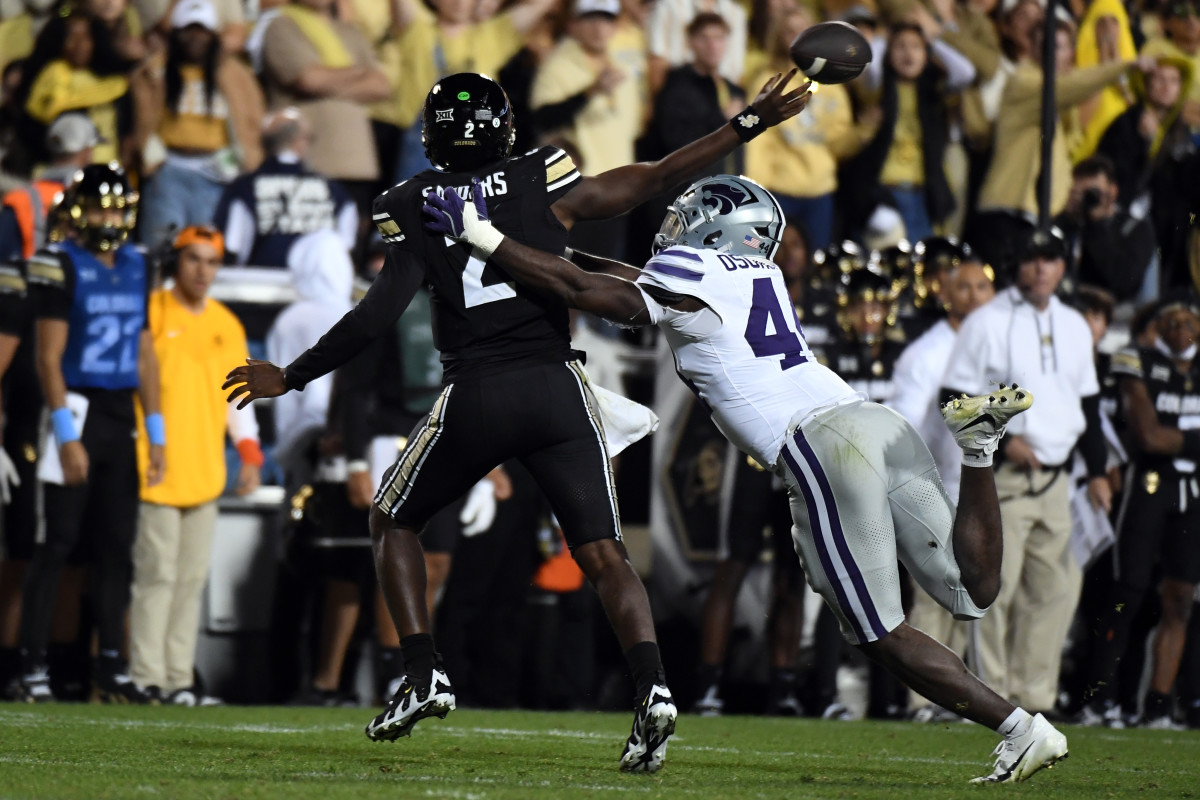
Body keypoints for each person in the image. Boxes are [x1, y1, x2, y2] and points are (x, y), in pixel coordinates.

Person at [223, 71, 810, 773]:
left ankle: (422, 673)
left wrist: (291, 376)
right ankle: (653, 688)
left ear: (433, 137)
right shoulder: (543, 176)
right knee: (604, 553)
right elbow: (652, 178)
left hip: (477, 391)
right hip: (557, 387)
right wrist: (747, 124)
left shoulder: (412, 202)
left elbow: (376, 316)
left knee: (392, 521)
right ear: (504, 128)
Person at [424, 172, 1068, 783]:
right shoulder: (758, 272)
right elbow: (623, 279)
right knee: (971, 591)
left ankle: (1017, 727)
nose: (673, 227)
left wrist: (487, 240)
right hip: (874, 422)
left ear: (714, 230)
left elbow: (602, 298)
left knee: (880, 632)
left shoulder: (693, 268)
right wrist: (559, 250)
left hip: (819, 445)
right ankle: (977, 452)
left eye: (688, 218)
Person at [941, 225, 1110, 715]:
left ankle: (1035, 697)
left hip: (1060, 478)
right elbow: (950, 398)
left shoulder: (1076, 325)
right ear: (1019, 265)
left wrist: (1098, 471)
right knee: (996, 589)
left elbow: (1090, 405)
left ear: (1063, 266)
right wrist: (1006, 439)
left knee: (1053, 592)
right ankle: (992, 696)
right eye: (1033, 258)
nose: (1041, 267)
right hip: (1004, 479)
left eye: (1051, 259)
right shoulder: (986, 321)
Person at [18, 163, 165, 703]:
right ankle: (32, 667)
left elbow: (145, 353)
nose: (109, 216)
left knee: (116, 548)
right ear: (77, 210)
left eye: (115, 206)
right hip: (73, 409)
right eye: (99, 206)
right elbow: (48, 358)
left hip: (118, 414)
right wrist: (65, 434)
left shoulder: (138, 263)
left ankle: (111, 667)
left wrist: (156, 431)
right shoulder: (60, 263)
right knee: (55, 545)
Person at [128, 225, 262, 706]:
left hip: (204, 468)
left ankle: (178, 679)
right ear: (176, 262)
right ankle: (146, 676)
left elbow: (237, 399)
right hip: (156, 466)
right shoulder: (153, 311)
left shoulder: (225, 322)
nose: (203, 271)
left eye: (212, 261)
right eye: (194, 260)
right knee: (156, 575)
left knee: (187, 581)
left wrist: (249, 452)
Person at [1078, 293, 1200, 729]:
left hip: (1192, 490)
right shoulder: (1136, 359)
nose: (1180, 326)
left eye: (1189, 318)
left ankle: (1159, 706)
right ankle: (1099, 698)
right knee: (1126, 593)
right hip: (1149, 486)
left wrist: (1179, 439)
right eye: (1170, 319)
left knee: (1182, 600)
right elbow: (1148, 436)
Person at [887, 253, 995, 720]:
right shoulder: (925, 353)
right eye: (963, 287)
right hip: (934, 485)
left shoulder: (997, 343)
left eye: (982, 287)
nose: (973, 297)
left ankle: (985, 696)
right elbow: (903, 427)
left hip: (982, 483)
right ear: (945, 295)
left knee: (986, 594)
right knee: (935, 595)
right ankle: (924, 701)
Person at [130, 0, 265, 247]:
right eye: (188, 30)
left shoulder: (235, 75)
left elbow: (251, 122)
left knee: (206, 245)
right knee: (162, 246)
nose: (195, 38)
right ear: (176, 35)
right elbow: (140, 119)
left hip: (216, 172)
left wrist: (245, 160)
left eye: (202, 31)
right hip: (167, 171)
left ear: (214, 35)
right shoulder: (156, 72)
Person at [211, 108, 358, 267]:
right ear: (299, 142)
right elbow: (346, 248)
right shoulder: (336, 193)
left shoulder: (242, 188)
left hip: (257, 283)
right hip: (316, 285)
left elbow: (231, 246)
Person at [1053, 155, 1155, 304]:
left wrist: (1097, 227)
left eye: (1093, 194)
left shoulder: (1135, 229)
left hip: (1114, 314)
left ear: (1113, 192)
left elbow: (1123, 280)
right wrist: (1064, 217)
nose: (1087, 201)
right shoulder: (1069, 225)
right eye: (1079, 193)